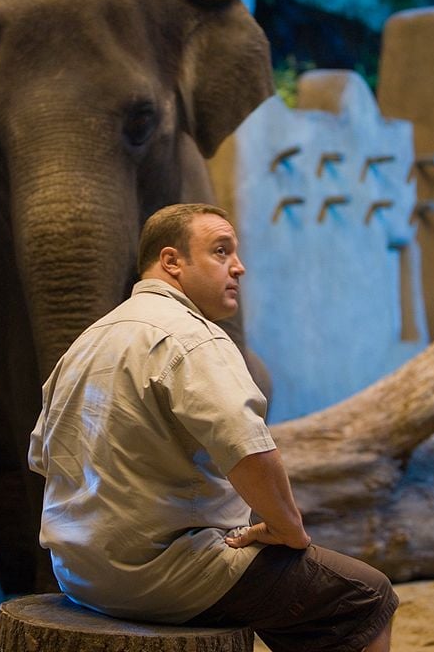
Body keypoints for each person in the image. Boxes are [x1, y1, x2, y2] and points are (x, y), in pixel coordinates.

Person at [29, 203, 398, 652]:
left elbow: (43, 457)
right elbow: (247, 449)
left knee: (297, 601)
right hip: (164, 575)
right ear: (172, 262)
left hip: (77, 573)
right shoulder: (192, 336)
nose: (238, 268)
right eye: (221, 252)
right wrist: (287, 529)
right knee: (366, 595)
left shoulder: (88, 341)